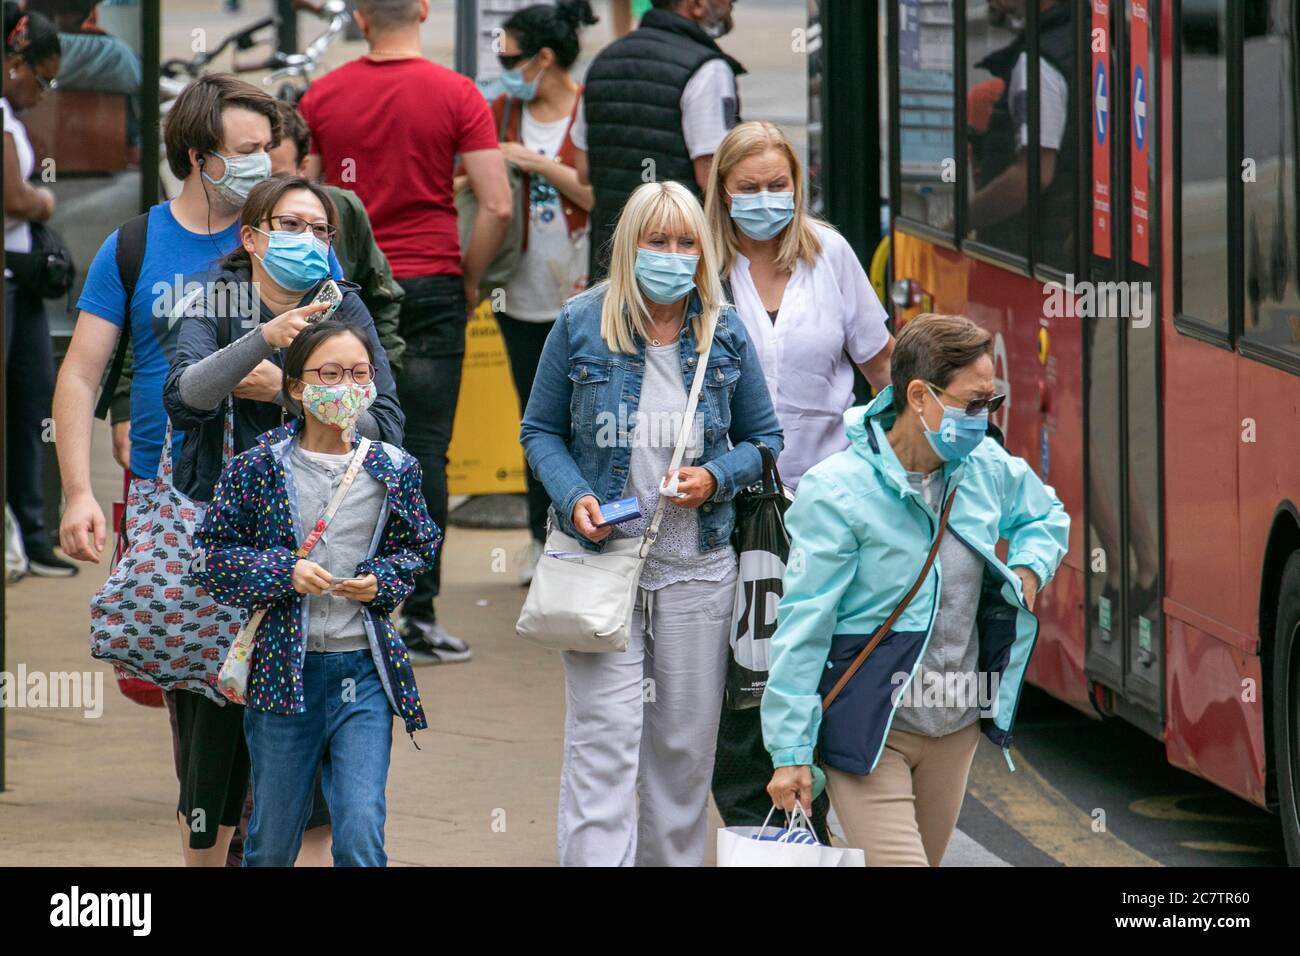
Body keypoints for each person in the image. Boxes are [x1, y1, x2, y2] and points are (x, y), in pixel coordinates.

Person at [52, 72, 339, 866]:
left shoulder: (293, 234)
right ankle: (216, 824)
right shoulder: (136, 244)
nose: (264, 164)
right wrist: (79, 490)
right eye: (246, 152)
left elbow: (360, 349)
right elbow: (81, 370)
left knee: (294, 710)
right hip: (174, 503)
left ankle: (270, 828)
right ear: (198, 154)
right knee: (194, 693)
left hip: (296, 506)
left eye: (270, 151)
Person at [520, 180, 782, 866]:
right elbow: (539, 430)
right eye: (655, 241)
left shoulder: (723, 332)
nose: (670, 254)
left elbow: (765, 439)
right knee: (602, 748)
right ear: (627, 248)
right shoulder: (581, 321)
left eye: (684, 242)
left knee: (681, 757)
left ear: (702, 251)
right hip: (601, 569)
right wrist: (575, 494)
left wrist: (716, 477)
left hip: (698, 572)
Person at [762, 313, 1070, 866]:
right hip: (873, 732)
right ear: (920, 396)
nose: (983, 419)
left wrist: (1025, 572)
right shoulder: (836, 492)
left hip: (955, 728)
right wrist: (790, 752)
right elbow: (803, 626)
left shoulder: (983, 467)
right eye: (973, 403)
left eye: (990, 405)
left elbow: (1045, 514)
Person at [299, 0, 514, 664]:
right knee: (423, 451)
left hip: (350, 295)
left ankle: (335, 600)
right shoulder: (458, 94)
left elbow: (303, 204)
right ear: (423, 10)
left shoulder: (324, 95)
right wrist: (469, 277)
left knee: (339, 446)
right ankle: (414, 612)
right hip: (431, 286)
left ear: (360, 18)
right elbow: (498, 205)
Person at [701, 118, 894, 842]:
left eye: (777, 186)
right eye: (748, 188)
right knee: (746, 671)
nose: (764, 199)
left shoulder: (831, 255)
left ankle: (811, 819)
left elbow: (881, 368)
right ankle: (759, 827)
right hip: (728, 503)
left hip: (827, 502)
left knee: (820, 658)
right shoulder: (703, 268)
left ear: (797, 185)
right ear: (722, 191)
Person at [194, 319, 439, 866]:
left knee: (359, 829)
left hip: (364, 672)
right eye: (330, 373)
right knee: (272, 837)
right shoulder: (258, 466)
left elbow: (418, 546)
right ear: (298, 388)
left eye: (359, 373)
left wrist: (384, 580)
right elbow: (212, 557)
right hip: (284, 670)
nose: (346, 386)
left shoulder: (394, 468)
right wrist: (284, 571)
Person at [485, 0, 595, 583]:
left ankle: (590, 528)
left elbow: (597, 195)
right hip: (518, 297)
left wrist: (533, 163)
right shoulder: (498, 111)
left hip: (581, 294)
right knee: (538, 423)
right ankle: (539, 535)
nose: (501, 65)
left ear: (542, 58)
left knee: (592, 421)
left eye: (509, 56)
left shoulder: (585, 109)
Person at [572, 0, 743, 279]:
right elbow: (711, 178)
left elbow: (583, 169)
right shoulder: (708, 68)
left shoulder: (603, 61)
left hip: (611, 261)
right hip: (677, 266)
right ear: (697, 5)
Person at [268, 101, 406, 375]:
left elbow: (381, 297)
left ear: (303, 167)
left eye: (277, 178)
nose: (264, 191)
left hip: (337, 394)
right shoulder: (225, 221)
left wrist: (379, 377)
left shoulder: (341, 209)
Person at [3, 4, 67, 577]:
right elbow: (14, 198)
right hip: (7, 278)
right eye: (42, 77)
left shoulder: (10, 113)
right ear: (14, 61)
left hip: (19, 281)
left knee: (29, 398)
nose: (44, 92)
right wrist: (42, 200)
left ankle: (31, 532)